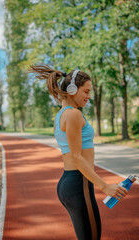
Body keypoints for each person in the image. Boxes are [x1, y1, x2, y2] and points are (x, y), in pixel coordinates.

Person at [29, 65, 128, 240]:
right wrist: (105, 186)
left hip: (70, 182)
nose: (89, 96)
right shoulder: (73, 115)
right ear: (73, 89)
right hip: (78, 183)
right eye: (86, 91)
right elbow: (76, 156)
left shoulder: (61, 115)